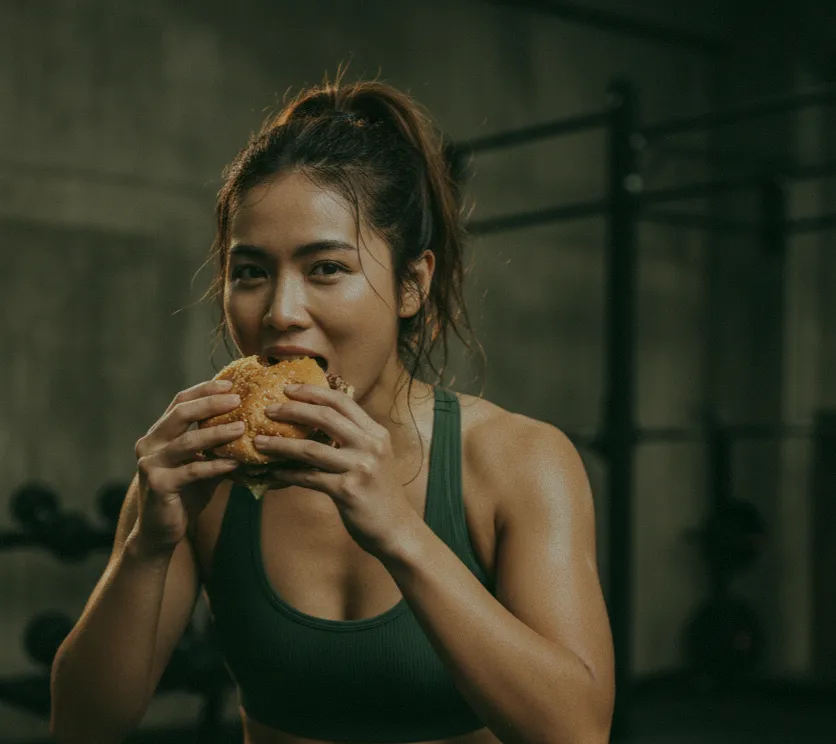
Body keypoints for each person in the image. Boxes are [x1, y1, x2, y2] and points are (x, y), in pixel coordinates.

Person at [49, 68, 615, 744]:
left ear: (412, 284)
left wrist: (397, 531)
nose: (282, 313)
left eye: (327, 269)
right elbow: (80, 729)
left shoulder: (521, 462)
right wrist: (146, 547)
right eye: (251, 272)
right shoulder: (205, 475)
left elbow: (578, 733)